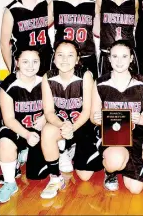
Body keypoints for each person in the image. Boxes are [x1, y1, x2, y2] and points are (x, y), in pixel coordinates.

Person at [90, 40, 143, 194]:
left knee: (135, 189)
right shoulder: (99, 83)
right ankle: (111, 171)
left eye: (124, 56)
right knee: (115, 161)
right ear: (109, 58)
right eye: (115, 56)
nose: (119, 61)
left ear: (131, 58)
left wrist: (141, 119)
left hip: (138, 134)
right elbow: (93, 116)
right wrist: (97, 118)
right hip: (112, 135)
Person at [40, 40, 102, 199]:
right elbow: (48, 111)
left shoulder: (85, 75)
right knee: (47, 132)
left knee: (85, 176)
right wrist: (62, 126)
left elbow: (87, 110)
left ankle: (69, 148)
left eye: (70, 55)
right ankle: (55, 178)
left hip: (81, 124)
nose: (64, 59)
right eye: (60, 55)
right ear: (54, 58)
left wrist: (72, 128)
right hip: (61, 124)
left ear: (77, 59)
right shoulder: (48, 77)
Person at [0, 47, 48, 203]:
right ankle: (9, 182)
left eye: (35, 61)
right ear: (17, 62)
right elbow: (8, 119)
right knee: (5, 140)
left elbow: (53, 109)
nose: (30, 66)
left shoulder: (45, 81)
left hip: (38, 130)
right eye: (25, 61)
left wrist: (46, 118)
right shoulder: (9, 84)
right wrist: (26, 134)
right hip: (17, 129)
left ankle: (24, 154)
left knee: (36, 175)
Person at [0, 0, 53, 76]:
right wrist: (12, 69)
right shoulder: (11, 10)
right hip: (25, 64)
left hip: (46, 61)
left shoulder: (46, 2)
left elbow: (48, 23)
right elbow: (4, 44)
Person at [48, 0, 98, 79]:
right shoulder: (55, 4)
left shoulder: (93, 5)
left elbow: (98, 31)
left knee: (88, 94)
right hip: (63, 59)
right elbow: (39, 27)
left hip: (87, 57)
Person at [94, 0, 138, 76]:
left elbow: (136, 24)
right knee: (105, 90)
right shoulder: (101, 0)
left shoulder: (134, 1)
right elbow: (96, 29)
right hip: (107, 54)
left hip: (127, 55)